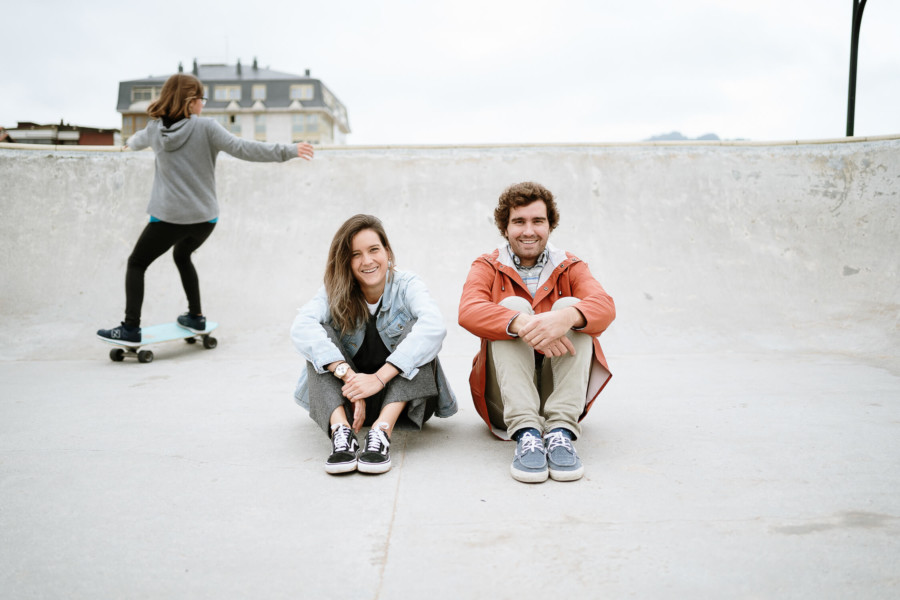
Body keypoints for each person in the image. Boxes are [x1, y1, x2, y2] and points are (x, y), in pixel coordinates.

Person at [97, 73, 314, 343]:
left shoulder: (154, 130)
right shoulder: (207, 128)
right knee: (182, 255)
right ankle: (196, 316)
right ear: (190, 102)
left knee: (137, 263)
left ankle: (130, 328)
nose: (203, 105)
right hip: (204, 220)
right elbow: (243, 148)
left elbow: (134, 142)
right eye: (201, 99)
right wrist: (288, 150)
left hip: (168, 219)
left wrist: (127, 145)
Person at [458, 182, 615, 483]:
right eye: (519, 221)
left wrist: (567, 317)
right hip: (505, 397)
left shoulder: (569, 265)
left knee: (574, 306)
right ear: (505, 228)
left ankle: (560, 432)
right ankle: (527, 433)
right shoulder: (488, 265)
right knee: (512, 305)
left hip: (560, 388)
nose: (528, 230)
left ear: (550, 225)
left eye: (537, 221)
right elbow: (468, 310)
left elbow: (605, 305)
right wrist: (521, 322)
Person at [291, 214, 457, 475]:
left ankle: (381, 432)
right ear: (346, 261)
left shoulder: (407, 284)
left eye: (373, 250)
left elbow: (434, 327)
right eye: (356, 254)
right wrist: (348, 377)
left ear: (387, 252)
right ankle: (341, 433)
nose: (367, 261)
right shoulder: (335, 290)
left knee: (419, 331)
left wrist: (378, 379)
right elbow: (301, 327)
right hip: (348, 403)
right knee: (317, 338)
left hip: (403, 404)